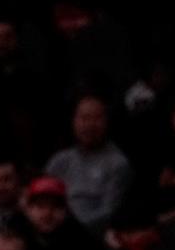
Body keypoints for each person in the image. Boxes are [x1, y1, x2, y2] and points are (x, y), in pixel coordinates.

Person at [45, 95, 132, 234]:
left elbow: (109, 211)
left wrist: (70, 228)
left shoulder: (117, 163)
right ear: (74, 121)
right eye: (84, 118)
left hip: (92, 235)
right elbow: (42, 199)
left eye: (97, 118)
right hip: (51, 227)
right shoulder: (60, 160)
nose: (90, 125)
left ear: (106, 122)